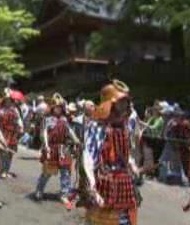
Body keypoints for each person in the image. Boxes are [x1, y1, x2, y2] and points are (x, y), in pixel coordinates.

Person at [82, 80, 140, 225]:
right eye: (121, 103)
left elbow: (127, 152)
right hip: (104, 182)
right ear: (110, 105)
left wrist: (132, 164)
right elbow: (88, 157)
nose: (125, 107)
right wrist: (92, 185)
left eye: (126, 103)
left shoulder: (126, 127)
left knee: (126, 219)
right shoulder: (96, 127)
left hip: (124, 181)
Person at [35, 93, 80, 210]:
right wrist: (45, 145)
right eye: (56, 107)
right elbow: (43, 132)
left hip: (63, 148)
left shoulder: (64, 119)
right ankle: (39, 189)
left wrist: (76, 140)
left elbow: (69, 131)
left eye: (60, 107)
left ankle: (64, 193)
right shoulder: (47, 119)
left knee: (66, 171)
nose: (58, 109)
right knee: (47, 172)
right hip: (51, 147)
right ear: (53, 108)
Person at [0, 89, 23, 178]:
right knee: (3, 152)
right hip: (2, 132)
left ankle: (6, 170)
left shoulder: (15, 110)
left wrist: (20, 127)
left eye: (9, 100)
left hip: (12, 133)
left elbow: (19, 119)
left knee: (10, 154)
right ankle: (1, 170)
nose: (8, 101)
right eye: (6, 100)